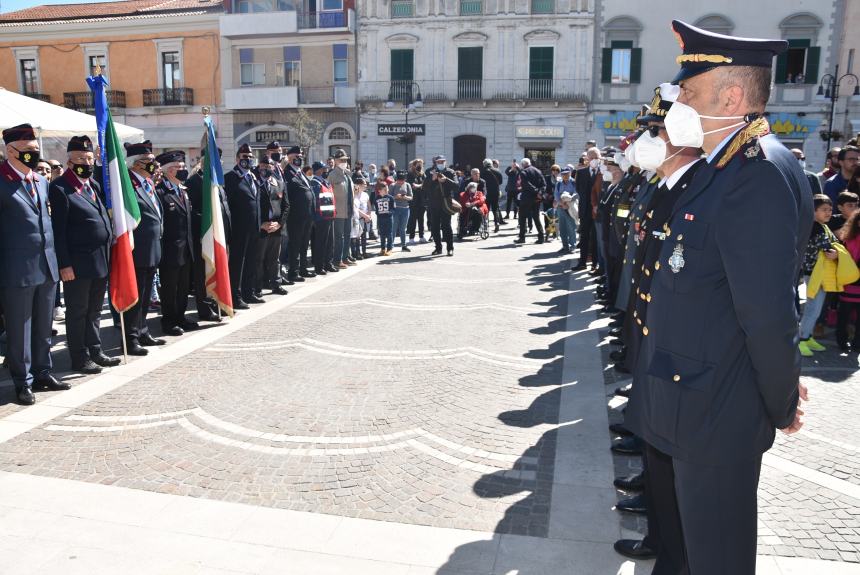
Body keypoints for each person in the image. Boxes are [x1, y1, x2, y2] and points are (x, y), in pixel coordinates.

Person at [625, 21, 813, 575]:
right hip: (692, 402)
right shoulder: (722, 169)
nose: (678, 101)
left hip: (717, 411)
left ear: (731, 98)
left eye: (689, 92)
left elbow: (768, 314)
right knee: (690, 554)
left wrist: (779, 402)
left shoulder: (757, 174)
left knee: (718, 559)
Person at [0, 124, 67, 405]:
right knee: (20, 330)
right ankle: (22, 381)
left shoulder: (40, 181)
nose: (32, 155)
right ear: (10, 150)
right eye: (27, 151)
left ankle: (43, 372)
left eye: (35, 151)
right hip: (16, 269)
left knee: (43, 327)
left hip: (47, 266)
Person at [49, 136, 119, 374]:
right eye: (80, 158)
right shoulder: (60, 188)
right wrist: (64, 264)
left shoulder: (94, 185)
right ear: (69, 162)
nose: (86, 162)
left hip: (100, 259)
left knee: (95, 310)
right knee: (78, 312)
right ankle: (79, 357)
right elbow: (58, 231)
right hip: (77, 264)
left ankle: (96, 349)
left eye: (89, 158)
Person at [123, 140, 165, 356]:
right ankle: (131, 338)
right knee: (135, 295)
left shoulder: (147, 182)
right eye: (149, 161)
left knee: (147, 294)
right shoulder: (128, 184)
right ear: (136, 164)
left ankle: (142, 330)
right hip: (137, 250)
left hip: (152, 248)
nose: (153, 164)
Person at [154, 150, 197, 336]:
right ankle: (169, 321)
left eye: (183, 167)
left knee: (183, 287)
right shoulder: (161, 192)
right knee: (170, 288)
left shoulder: (182, 190)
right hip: (170, 250)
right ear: (168, 171)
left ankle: (180, 317)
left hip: (186, 249)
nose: (183, 170)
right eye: (178, 168)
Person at [185, 147, 228, 322]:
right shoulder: (195, 181)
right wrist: (208, 221)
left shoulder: (216, 180)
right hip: (203, 235)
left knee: (218, 270)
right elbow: (191, 210)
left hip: (218, 234)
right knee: (203, 274)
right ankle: (204, 308)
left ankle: (219, 304)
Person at [798, 195, 839, 357]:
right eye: (824, 210)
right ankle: (801, 340)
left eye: (830, 209)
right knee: (812, 309)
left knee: (815, 309)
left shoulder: (823, 226)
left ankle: (807, 337)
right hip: (814, 274)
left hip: (820, 273)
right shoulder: (815, 227)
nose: (828, 213)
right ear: (813, 211)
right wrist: (836, 252)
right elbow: (829, 248)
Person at [224, 144, 262, 308]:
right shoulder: (231, 178)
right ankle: (235, 295)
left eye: (250, 155)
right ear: (237, 158)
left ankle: (249, 292)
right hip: (239, 229)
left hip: (254, 228)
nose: (248, 158)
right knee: (237, 263)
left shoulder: (253, 177)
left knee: (251, 261)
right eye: (244, 156)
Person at [255, 156, 289, 296]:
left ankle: (276, 284)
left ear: (273, 168)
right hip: (262, 228)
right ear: (259, 167)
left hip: (276, 228)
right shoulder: (255, 183)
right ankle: (257, 287)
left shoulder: (279, 183)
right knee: (259, 259)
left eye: (269, 167)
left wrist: (279, 224)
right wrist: (260, 224)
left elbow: (286, 206)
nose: (266, 169)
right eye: (263, 166)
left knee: (274, 259)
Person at [572, 147, 602, 269]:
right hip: (585, 210)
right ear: (587, 159)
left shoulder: (603, 172)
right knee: (584, 237)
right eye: (592, 158)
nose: (594, 160)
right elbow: (579, 190)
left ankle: (595, 263)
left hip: (598, 210)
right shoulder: (581, 173)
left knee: (596, 237)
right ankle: (582, 262)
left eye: (596, 158)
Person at [837, 210, 860, 351]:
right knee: (844, 316)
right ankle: (842, 340)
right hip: (849, 282)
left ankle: (858, 342)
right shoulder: (848, 239)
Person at [329, 148, 355, 268]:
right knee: (339, 237)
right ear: (336, 161)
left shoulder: (347, 175)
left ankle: (345, 257)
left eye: (345, 160)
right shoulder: (332, 175)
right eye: (341, 160)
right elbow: (328, 194)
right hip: (338, 211)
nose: (343, 162)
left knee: (347, 235)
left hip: (348, 210)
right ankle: (337, 260)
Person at [427, 157, 458, 257]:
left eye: (442, 162)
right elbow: (424, 187)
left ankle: (450, 248)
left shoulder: (450, 172)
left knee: (446, 226)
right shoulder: (430, 172)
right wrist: (432, 179)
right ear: (435, 163)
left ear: (445, 162)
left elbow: (456, 186)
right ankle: (438, 248)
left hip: (445, 203)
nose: (440, 163)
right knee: (435, 227)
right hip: (434, 203)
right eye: (438, 162)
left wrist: (446, 180)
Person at [310, 161, 336, 275]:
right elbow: (314, 201)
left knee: (330, 241)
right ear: (318, 170)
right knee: (321, 243)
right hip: (320, 218)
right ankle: (319, 266)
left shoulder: (325, 182)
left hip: (329, 216)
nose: (325, 171)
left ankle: (328, 263)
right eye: (323, 169)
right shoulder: (315, 183)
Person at [514, 158, 545, 244]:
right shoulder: (538, 171)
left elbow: (526, 185)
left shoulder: (524, 172)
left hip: (527, 198)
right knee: (536, 217)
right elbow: (544, 184)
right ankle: (541, 237)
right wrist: (539, 192)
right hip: (537, 199)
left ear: (523, 164)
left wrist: (536, 191)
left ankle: (522, 237)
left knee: (522, 217)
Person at [554, 167, 578, 253]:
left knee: (571, 227)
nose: (565, 175)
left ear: (570, 173)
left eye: (567, 174)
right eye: (563, 174)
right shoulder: (559, 183)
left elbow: (576, 194)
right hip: (561, 208)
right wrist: (562, 203)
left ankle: (573, 246)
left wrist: (568, 202)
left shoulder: (574, 182)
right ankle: (565, 246)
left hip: (571, 207)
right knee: (562, 228)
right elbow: (556, 195)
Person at [390, 171, 413, 251]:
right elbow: (389, 197)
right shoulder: (392, 185)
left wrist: (405, 197)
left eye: (402, 180)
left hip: (405, 209)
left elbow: (411, 197)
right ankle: (391, 245)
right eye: (399, 180)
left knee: (403, 228)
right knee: (394, 227)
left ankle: (404, 245)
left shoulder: (407, 185)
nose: (400, 182)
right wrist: (396, 197)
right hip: (395, 209)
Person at [406, 159, 427, 243]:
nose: (420, 166)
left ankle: (422, 236)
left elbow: (426, 184)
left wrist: (420, 186)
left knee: (421, 219)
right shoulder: (410, 174)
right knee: (413, 219)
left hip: (422, 200)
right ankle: (411, 237)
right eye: (418, 164)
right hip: (413, 200)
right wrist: (421, 186)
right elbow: (412, 185)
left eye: (421, 164)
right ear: (414, 165)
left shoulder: (423, 174)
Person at [480, 158, 504, 231]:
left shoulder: (483, 172)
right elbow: (500, 182)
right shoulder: (497, 171)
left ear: (484, 164)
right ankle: (497, 223)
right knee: (495, 209)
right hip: (495, 192)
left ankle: (485, 224)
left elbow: (480, 182)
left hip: (486, 193)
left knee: (485, 209)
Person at [352, 176, 371, 259]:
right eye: (364, 184)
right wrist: (365, 215)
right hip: (358, 218)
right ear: (358, 185)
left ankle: (364, 251)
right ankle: (357, 253)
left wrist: (368, 215)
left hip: (365, 218)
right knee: (356, 237)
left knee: (364, 236)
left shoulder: (366, 194)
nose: (366, 185)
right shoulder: (354, 196)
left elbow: (369, 206)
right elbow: (356, 208)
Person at [374, 181, 394, 255]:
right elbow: (376, 208)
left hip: (388, 218)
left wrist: (389, 213)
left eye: (387, 189)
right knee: (382, 234)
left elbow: (393, 208)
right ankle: (382, 248)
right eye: (384, 189)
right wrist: (378, 213)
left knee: (389, 233)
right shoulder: (376, 198)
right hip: (380, 218)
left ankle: (389, 249)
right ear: (379, 190)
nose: (386, 191)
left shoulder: (390, 198)